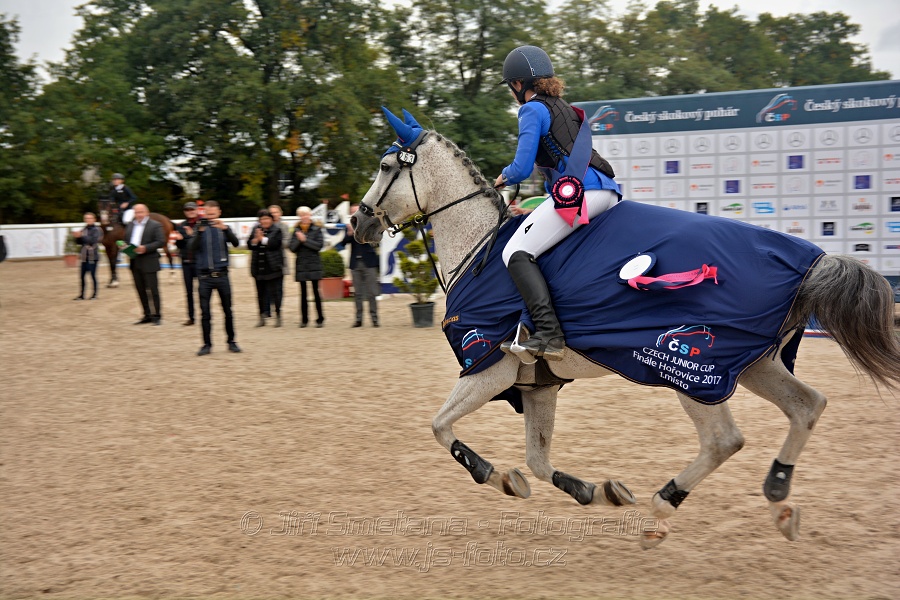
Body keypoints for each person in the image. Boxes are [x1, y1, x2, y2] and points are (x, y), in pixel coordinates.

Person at [494, 45, 622, 361]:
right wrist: (532, 211)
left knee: (515, 251)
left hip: (585, 193)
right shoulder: (565, 107)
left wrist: (502, 178)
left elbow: (522, 168)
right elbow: (566, 173)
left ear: (518, 84)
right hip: (605, 192)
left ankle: (550, 334)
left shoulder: (531, 110)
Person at [189, 200, 241, 355]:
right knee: (205, 312)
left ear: (219, 213)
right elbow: (191, 247)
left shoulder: (224, 229)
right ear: (203, 213)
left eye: (213, 213)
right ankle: (206, 344)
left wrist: (225, 229)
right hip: (205, 277)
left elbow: (236, 243)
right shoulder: (199, 228)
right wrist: (200, 232)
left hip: (222, 275)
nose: (210, 216)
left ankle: (231, 341)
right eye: (207, 213)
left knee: (228, 310)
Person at [123, 203, 166, 325]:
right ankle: (147, 315)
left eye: (141, 212)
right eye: (136, 212)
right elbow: (127, 240)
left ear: (147, 213)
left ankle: (157, 315)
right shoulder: (130, 225)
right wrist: (124, 247)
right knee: (140, 290)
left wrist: (145, 248)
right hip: (135, 260)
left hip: (149, 260)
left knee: (153, 290)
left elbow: (161, 241)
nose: (139, 214)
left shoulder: (155, 225)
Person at [343, 204, 380, 327]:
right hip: (355, 263)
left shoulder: (369, 224)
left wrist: (357, 231)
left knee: (372, 292)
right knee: (358, 294)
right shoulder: (349, 227)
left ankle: (374, 319)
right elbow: (343, 243)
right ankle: (359, 319)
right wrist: (349, 234)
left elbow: (373, 241)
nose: (354, 215)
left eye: (355, 212)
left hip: (369, 262)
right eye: (352, 212)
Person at [288, 206, 325, 328]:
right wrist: (299, 240)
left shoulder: (317, 229)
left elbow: (319, 246)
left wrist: (305, 240)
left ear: (310, 215)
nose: (304, 217)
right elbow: (292, 248)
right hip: (302, 265)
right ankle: (304, 319)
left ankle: (320, 318)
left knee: (316, 292)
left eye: (306, 215)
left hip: (314, 264)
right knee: (303, 294)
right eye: (302, 215)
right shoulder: (296, 230)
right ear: (299, 217)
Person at [247, 209, 284, 327]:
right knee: (260, 293)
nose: (265, 221)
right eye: (262, 219)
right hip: (259, 267)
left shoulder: (277, 230)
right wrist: (255, 240)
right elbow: (249, 244)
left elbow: (274, 244)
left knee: (276, 293)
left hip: (273, 267)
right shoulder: (256, 229)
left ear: (272, 220)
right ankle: (262, 316)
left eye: (267, 218)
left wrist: (262, 239)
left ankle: (278, 315)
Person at [172, 201, 200, 325]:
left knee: (203, 290)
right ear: (185, 212)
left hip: (199, 261)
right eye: (188, 210)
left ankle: (205, 314)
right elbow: (180, 244)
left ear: (196, 210)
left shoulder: (201, 224)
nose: (190, 212)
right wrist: (180, 240)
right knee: (188, 291)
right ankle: (191, 317)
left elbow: (199, 243)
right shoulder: (180, 226)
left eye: (192, 209)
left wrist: (188, 237)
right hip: (186, 262)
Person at [73, 212, 103, 300]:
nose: (88, 220)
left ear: (94, 219)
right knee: (82, 277)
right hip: (84, 256)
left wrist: (81, 236)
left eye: (90, 218)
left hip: (93, 256)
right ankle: (82, 295)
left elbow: (93, 240)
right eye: (86, 218)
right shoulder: (84, 229)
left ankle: (94, 294)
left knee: (93, 276)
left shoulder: (97, 230)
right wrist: (77, 237)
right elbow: (79, 243)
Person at [268, 204, 291, 316]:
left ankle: (278, 308)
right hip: (267, 259)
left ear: (280, 213)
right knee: (268, 286)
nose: (274, 214)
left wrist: (275, 243)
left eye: (276, 212)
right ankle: (268, 309)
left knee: (278, 286)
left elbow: (287, 242)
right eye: (271, 212)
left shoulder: (283, 226)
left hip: (280, 258)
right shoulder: (265, 226)